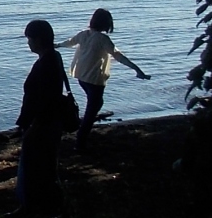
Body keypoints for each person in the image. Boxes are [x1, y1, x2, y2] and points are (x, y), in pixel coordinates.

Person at [56, 8, 150, 149]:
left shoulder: (83, 34)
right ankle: (80, 140)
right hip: (94, 80)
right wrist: (137, 69)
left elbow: (70, 42)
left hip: (82, 77)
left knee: (95, 104)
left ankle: (83, 128)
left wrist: (57, 45)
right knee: (93, 107)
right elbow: (118, 56)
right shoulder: (102, 39)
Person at [14, 19, 68, 216]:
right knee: (45, 166)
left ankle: (32, 207)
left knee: (33, 167)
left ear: (38, 40)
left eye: (29, 39)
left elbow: (42, 99)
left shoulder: (46, 64)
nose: (28, 43)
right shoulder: (54, 57)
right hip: (49, 121)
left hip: (42, 123)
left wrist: (30, 124)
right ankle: (45, 206)